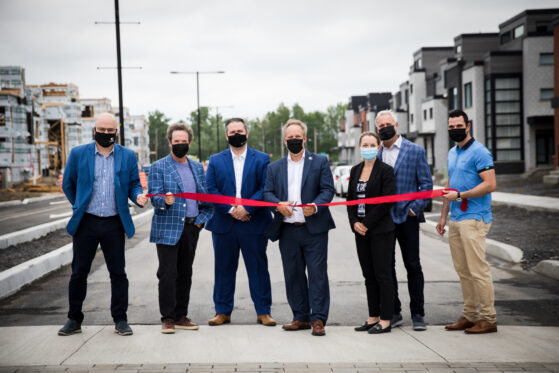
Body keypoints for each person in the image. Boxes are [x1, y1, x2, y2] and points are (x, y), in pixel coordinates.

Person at [59, 113, 147, 336]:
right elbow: (68, 183)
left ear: (116, 132)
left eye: (111, 131)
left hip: (113, 223)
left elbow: (134, 184)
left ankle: (120, 319)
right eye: (102, 130)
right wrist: (79, 205)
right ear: (94, 130)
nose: (106, 134)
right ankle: (74, 319)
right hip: (86, 222)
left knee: (118, 273)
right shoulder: (79, 154)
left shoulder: (127, 156)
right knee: (79, 272)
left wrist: (138, 196)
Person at [263, 119, 335, 336]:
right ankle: (300, 317)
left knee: (317, 274)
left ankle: (319, 319)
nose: (294, 141)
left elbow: (328, 189)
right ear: (285, 140)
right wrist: (278, 204)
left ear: (305, 138)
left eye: (298, 137)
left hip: (314, 229)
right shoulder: (274, 167)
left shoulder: (319, 161)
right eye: (290, 138)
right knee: (293, 274)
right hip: (288, 230)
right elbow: (267, 192)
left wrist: (315, 206)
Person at [205, 118, 275, 327]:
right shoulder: (216, 160)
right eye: (232, 131)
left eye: (240, 130)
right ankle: (222, 311)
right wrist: (231, 210)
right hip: (224, 224)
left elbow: (265, 188)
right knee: (224, 269)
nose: (237, 134)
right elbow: (211, 189)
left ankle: (264, 312)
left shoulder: (262, 159)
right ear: (226, 136)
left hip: (254, 222)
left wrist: (247, 208)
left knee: (258, 268)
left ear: (247, 133)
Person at [148, 123, 214, 334]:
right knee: (168, 274)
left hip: (190, 227)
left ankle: (181, 315)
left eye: (183, 142)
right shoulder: (159, 166)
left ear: (189, 142)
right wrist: (164, 201)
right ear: (169, 143)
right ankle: (167, 318)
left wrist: (201, 221)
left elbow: (204, 198)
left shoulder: (196, 168)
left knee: (185, 273)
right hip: (167, 227)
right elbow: (154, 196)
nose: (180, 145)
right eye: (176, 142)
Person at [436, 109, 498, 334]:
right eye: (451, 127)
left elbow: (490, 184)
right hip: (456, 218)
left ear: (468, 125)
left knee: (477, 270)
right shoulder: (452, 153)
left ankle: (488, 318)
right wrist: (443, 216)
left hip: (474, 217)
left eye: (458, 126)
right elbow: (450, 186)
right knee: (463, 271)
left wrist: (461, 196)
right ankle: (470, 315)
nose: (455, 130)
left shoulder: (480, 152)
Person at [375, 109, 433, 331]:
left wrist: (413, 209)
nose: (384, 128)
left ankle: (418, 313)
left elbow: (426, 186)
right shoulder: (377, 153)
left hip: (407, 218)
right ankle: (394, 311)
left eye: (388, 124)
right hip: (384, 220)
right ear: (377, 129)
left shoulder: (415, 151)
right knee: (387, 267)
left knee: (413, 265)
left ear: (396, 125)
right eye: (381, 126)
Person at [347, 132, 396, 334]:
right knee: (368, 275)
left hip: (381, 230)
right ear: (360, 147)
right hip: (360, 232)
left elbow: (387, 201)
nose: (368, 147)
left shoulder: (386, 170)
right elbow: (350, 201)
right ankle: (373, 316)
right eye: (364, 144)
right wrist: (355, 223)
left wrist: (366, 223)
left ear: (378, 147)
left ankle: (385, 319)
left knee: (383, 274)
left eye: (372, 144)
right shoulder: (355, 169)